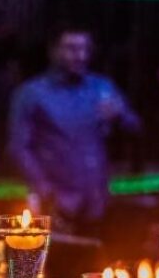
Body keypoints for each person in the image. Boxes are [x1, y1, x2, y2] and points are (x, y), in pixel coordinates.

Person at [8, 26, 142, 234]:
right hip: (56, 205)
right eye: (71, 49)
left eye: (85, 49)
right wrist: (46, 191)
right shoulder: (32, 94)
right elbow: (19, 148)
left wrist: (120, 116)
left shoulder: (102, 87)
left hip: (98, 201)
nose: (80, 56)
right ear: (53, 51)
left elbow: (135, 128)